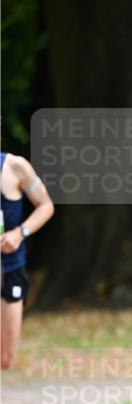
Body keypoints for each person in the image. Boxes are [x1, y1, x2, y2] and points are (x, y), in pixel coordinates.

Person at [1, 152, 54, 370]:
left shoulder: (15, 167)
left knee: (6, 358)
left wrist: (19, 233)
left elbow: (46, 205)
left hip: (10, 268)